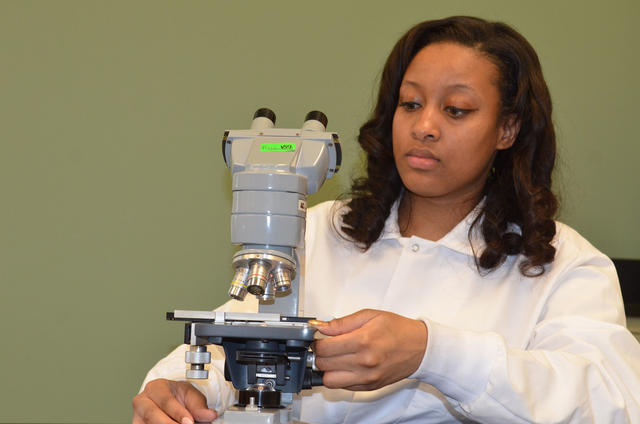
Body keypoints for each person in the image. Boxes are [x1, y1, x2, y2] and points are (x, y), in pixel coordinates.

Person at [132, 16, 640, 423]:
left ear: (507, 128)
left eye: (456, 110)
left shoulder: (564, 265)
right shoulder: (319, 229)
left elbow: (612, 403)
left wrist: (433, 353)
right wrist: (179, 387)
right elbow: (236, 346)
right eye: (410, 103)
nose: (424, 126)